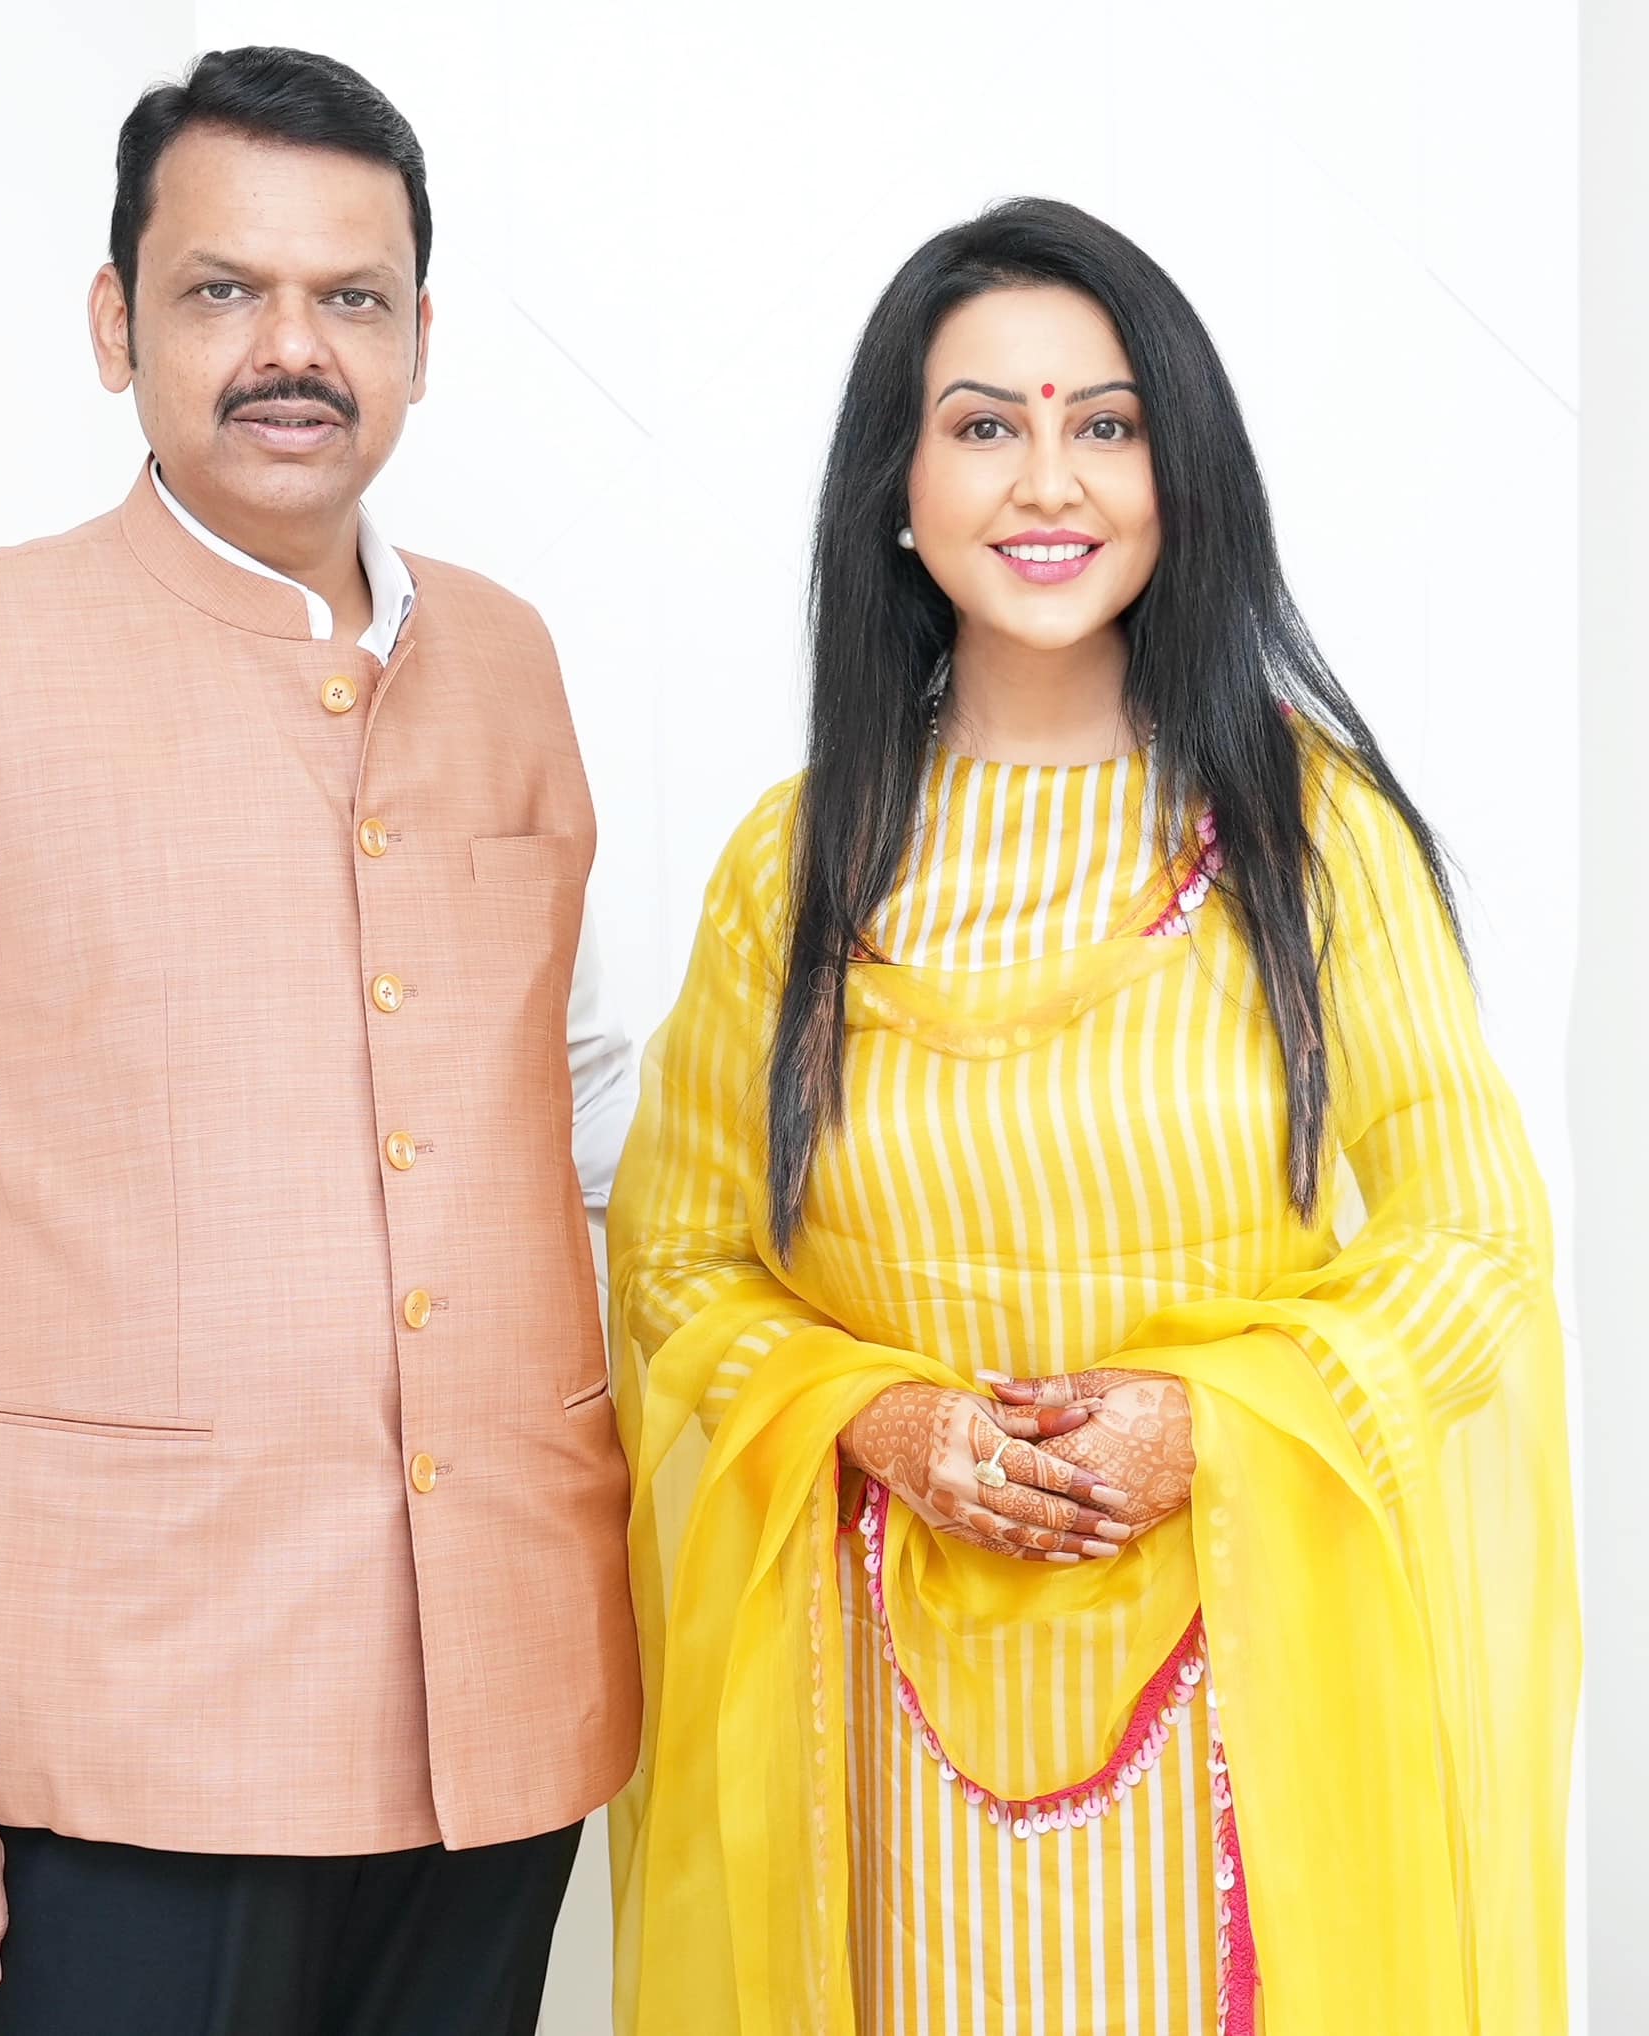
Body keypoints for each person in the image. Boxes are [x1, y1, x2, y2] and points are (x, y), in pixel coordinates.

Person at [0, 46, 640, 2036]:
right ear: (112, 323)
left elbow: (584, 1123)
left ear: (419, 337)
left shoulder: (508, 658)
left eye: (350, 298)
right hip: (113, 1721)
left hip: (494, 1698)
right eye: (223, 291)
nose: (289, 350)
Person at [605, 197, 1576, 2035]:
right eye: (983, 423)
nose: (1047, 479)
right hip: (878, 1717)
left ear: (1177, 476)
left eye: (1104, 423)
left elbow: (1477, 1238)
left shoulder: (1309, 839)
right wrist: (877, 1416)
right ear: (896, 483)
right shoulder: (797, 866)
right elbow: (673, 1262)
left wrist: (1209, 1424)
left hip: (1248, 1699)